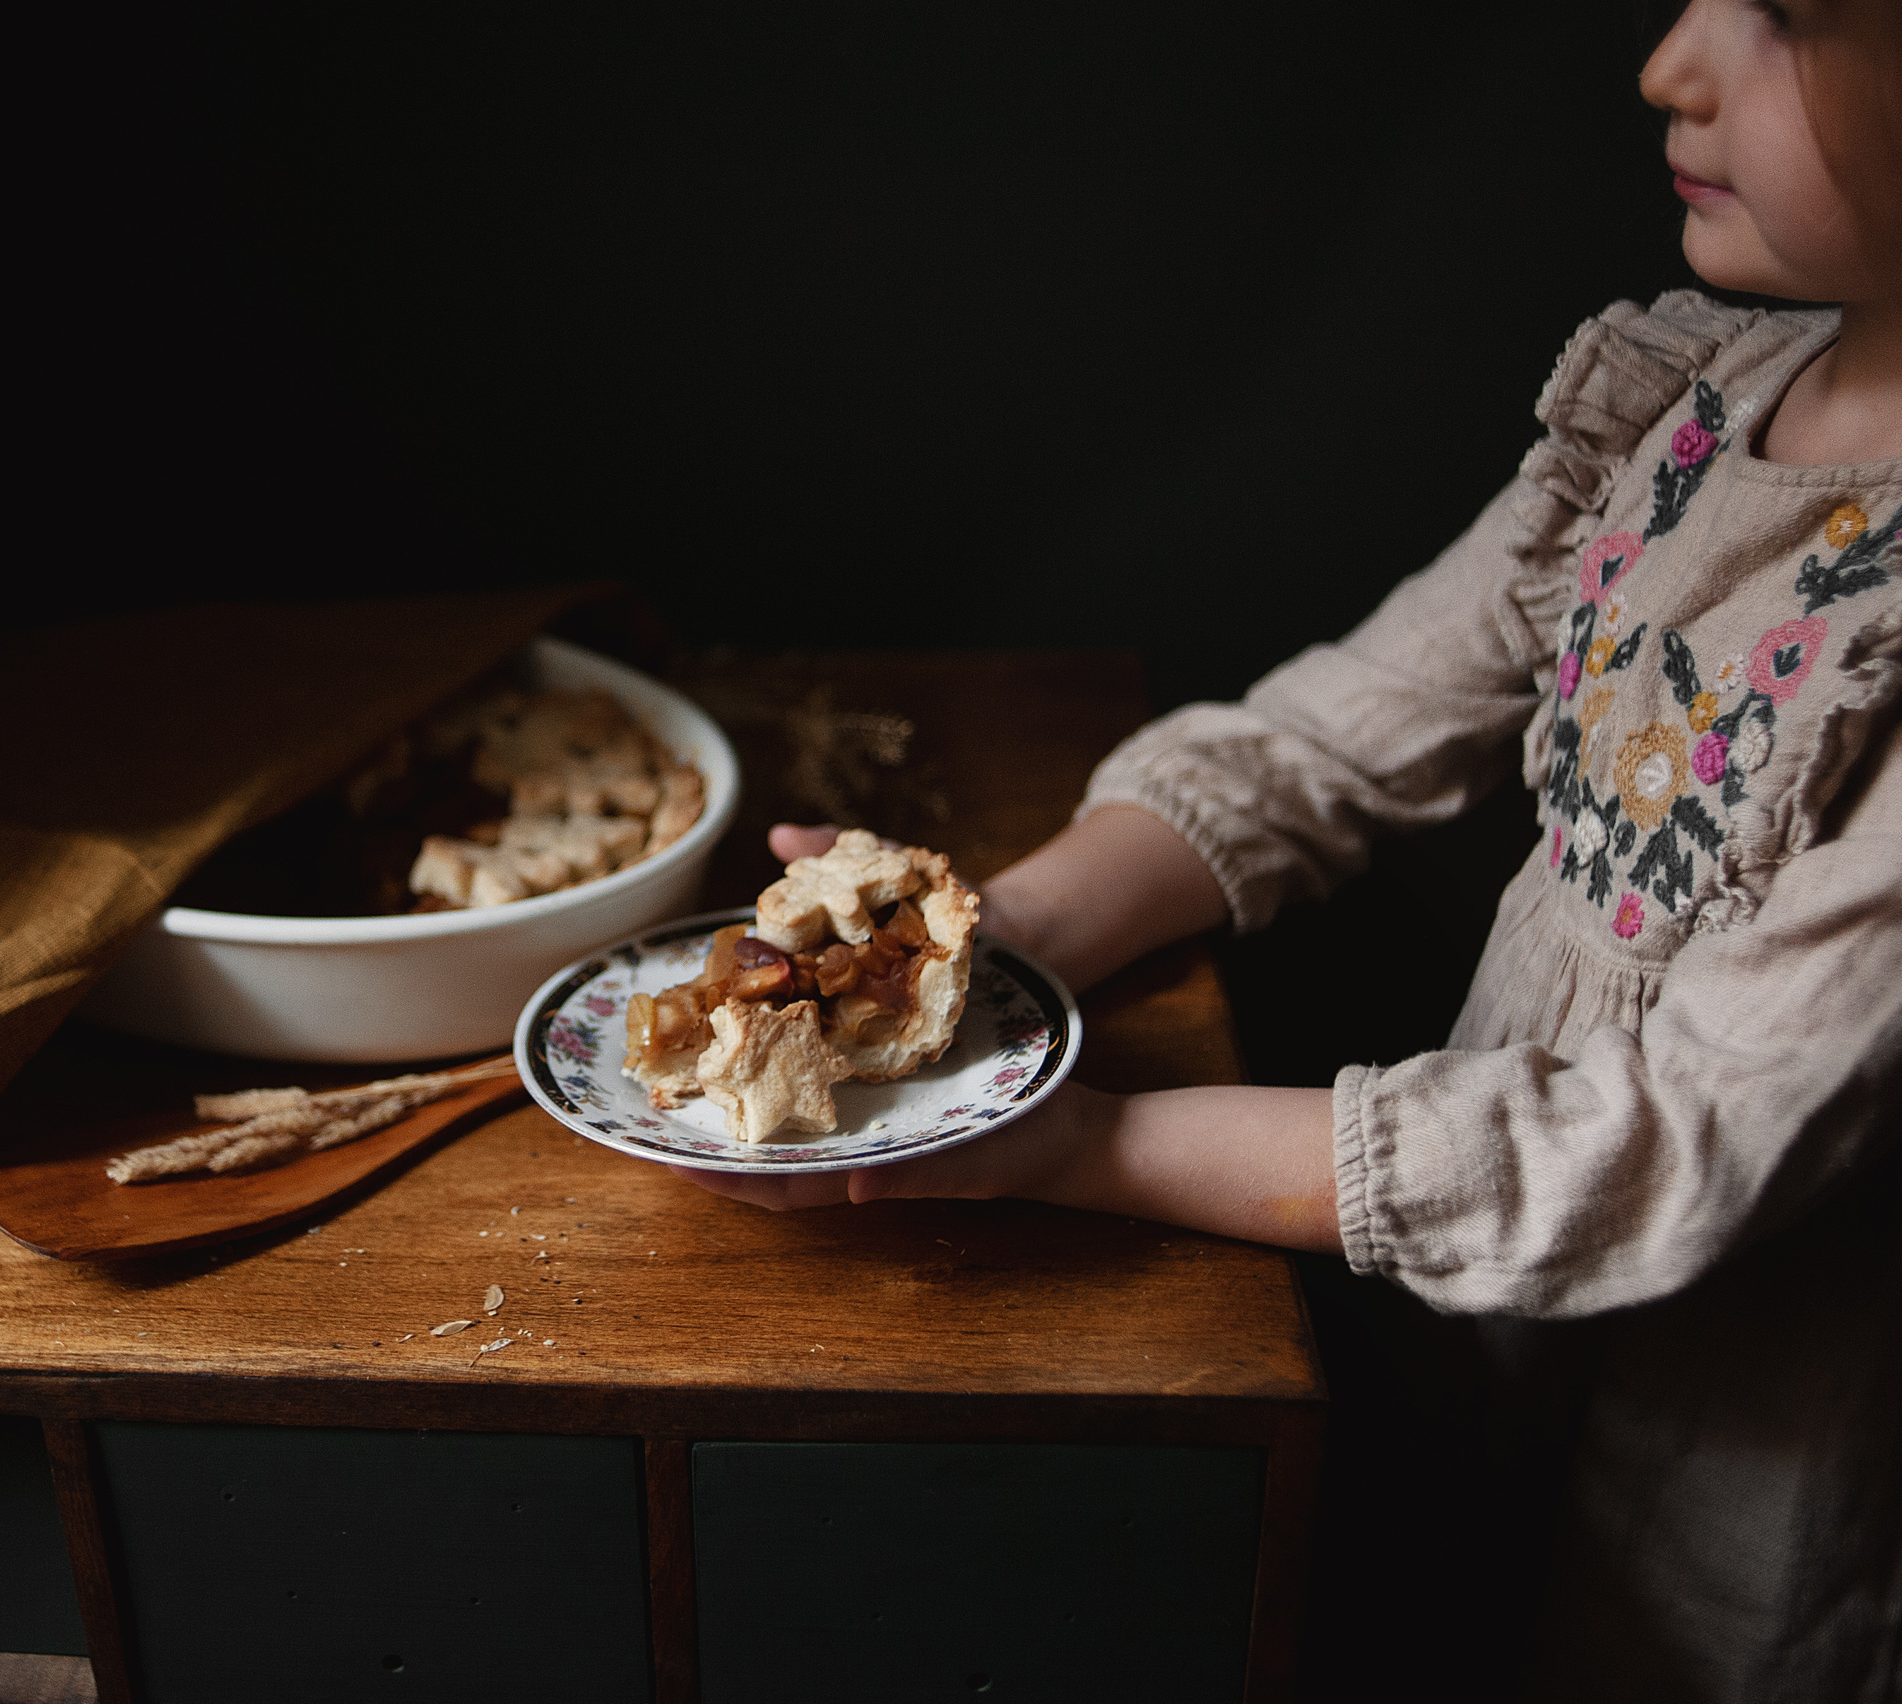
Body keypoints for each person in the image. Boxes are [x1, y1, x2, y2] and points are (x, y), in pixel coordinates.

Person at [673, 2, 1902, 1696]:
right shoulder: (1693, 406)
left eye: (1773, 22)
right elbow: (1338, 737)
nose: (1670, 62)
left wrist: (1086, 1151)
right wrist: (966, 942)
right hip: (1477, 1355)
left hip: (1724, 1482)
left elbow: (1670, 1148)